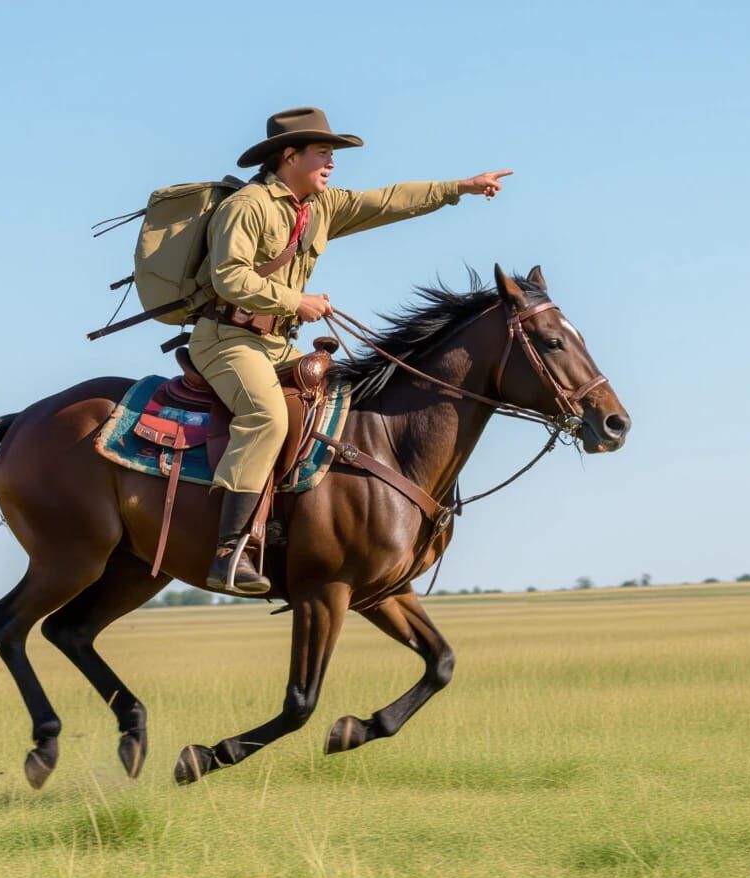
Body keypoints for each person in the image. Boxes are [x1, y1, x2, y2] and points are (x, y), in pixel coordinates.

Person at [191, 106, 512, 595]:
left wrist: (459, 188)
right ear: (289, 155)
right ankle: (230, 551)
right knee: (267, 419)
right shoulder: (248, 206)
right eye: (323, 152)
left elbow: (387, 200)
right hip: (227, 341)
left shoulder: (319, 207)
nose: (332, 163)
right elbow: (228, 277)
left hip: (276, 343)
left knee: (343, 409)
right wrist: (296, 300)